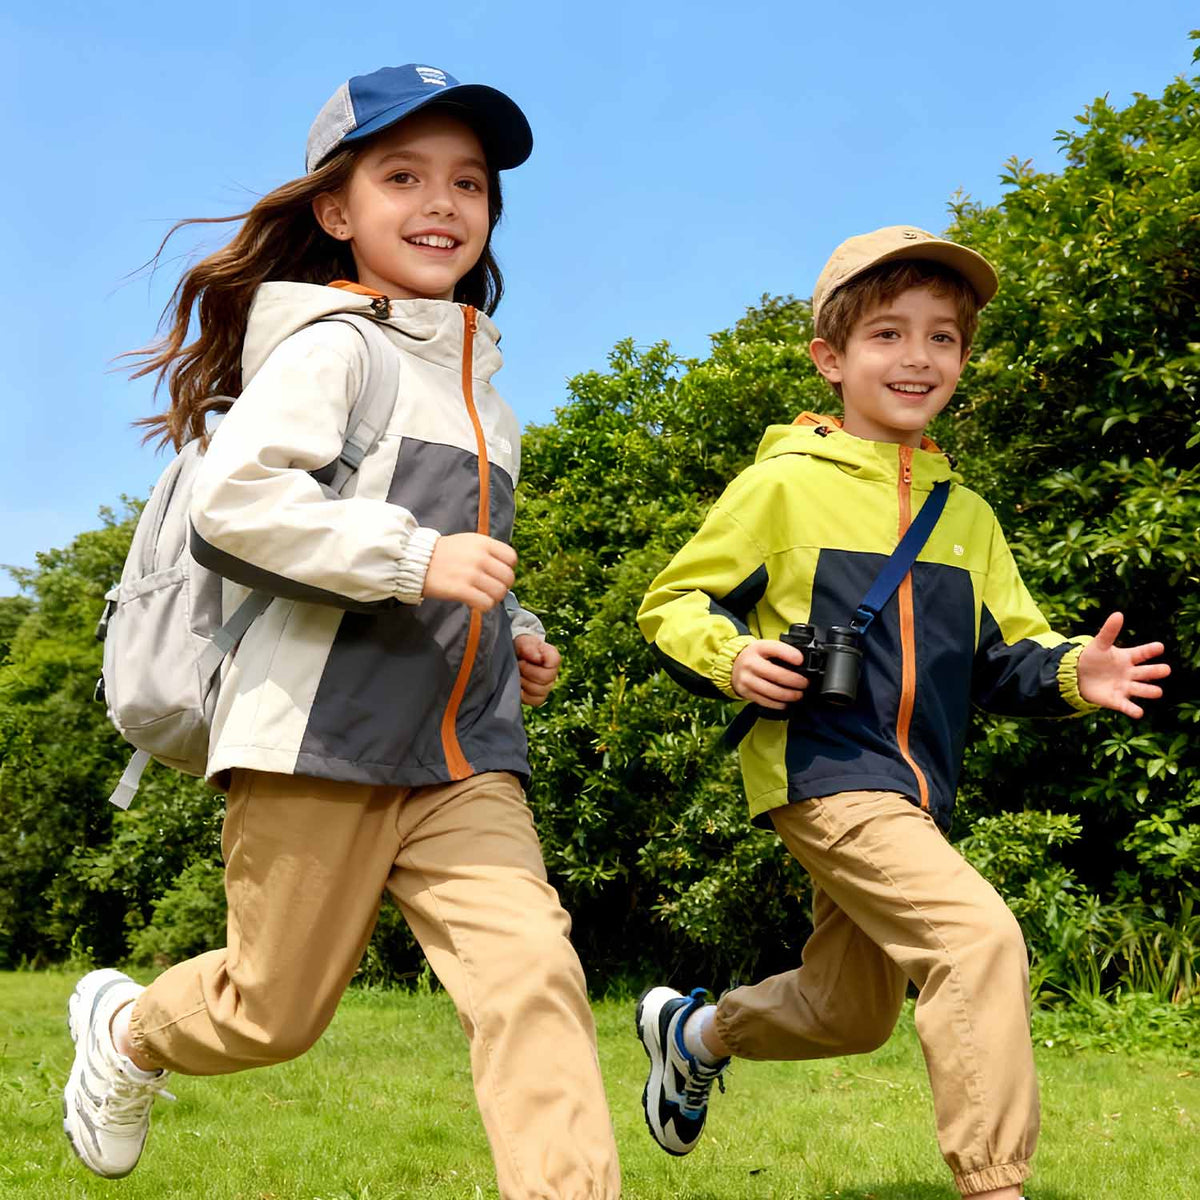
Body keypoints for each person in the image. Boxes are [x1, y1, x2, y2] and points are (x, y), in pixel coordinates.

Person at [62, 63, 620, 1200]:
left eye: (469, 183)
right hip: (317, 737)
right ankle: (129, 1033)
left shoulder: (485, 392)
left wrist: (510, 630)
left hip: (461, 756)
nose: (443, 203)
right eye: (403, 175)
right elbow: (240, 508)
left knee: (534, 982)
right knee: (272, 1011)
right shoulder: (331, 348)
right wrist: (419, 561)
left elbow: (453, 559)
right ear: (336, 209)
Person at [634, 225, 1170, 1199]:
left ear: (962, 359)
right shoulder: (782, 486)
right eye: (888, 334)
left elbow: (1009, 654)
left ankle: (695, 1033)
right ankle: (996, 1186)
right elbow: (673, 603)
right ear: (831, 358)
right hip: (825, 773)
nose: (917, 357)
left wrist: (1073, 673)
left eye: (943, 339)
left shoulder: (967, 516)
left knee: (851, 1013)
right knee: (977, 942)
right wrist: (736, 656)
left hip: (917, 792)